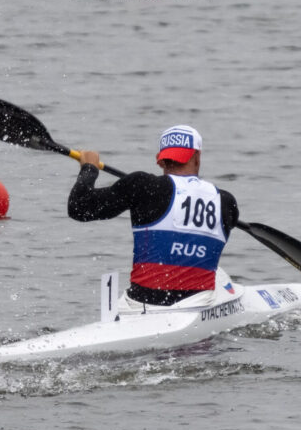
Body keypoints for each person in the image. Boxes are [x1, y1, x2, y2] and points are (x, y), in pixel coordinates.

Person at [67, 125, 239, 307]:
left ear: (162, 161)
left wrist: (89, 168)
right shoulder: (227, 203)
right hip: (199, 304)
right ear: (197, 157)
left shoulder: (143, 186)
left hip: (141, 304)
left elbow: (78, 207)